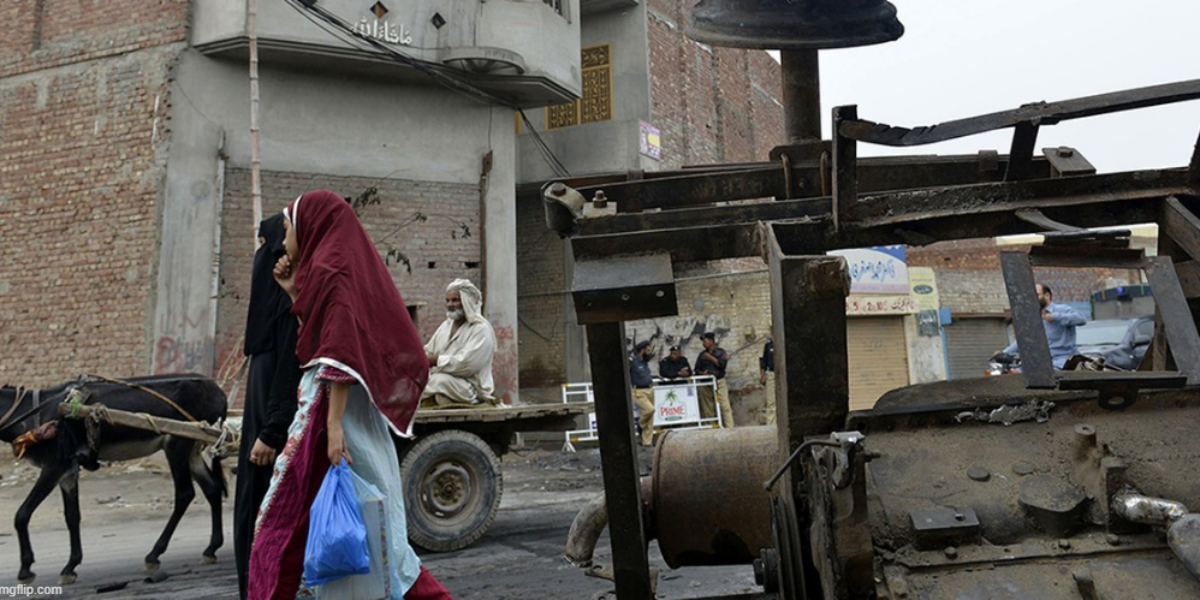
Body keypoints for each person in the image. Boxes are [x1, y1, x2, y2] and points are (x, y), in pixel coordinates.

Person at [248, 190, 451, 600]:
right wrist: (292, 292)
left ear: (309, 226)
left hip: (331, 415)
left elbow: (339, 350)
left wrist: (334, 424)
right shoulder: (328, 268)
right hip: (330, 413)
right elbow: (319, 339)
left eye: (287, 227)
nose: (284, 239)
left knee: (293, 526)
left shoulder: (334, 269)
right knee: (340, 526)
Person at [235, 214, 302, 600]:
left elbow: (289, 370)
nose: (261, 255)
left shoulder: (285, 311)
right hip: (262, 414)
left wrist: (271, 431)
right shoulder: (278, 305)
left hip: (272, 427)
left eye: (267, 245)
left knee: (264, 510)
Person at [421, 279, 497, 407]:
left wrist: (435, 361)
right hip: (449, 384)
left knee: (437, 381)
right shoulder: (445, 326)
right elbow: (429, 350)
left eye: (455, 300)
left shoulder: (480, 329)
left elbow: (466, 365)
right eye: (448, 300)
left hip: (470, 388)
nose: (450, 304)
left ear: (467, 302)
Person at [995, 283, 1088, 369]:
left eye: (1036, 295)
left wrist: (1055, 316)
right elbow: (1023, 341)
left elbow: (1081, 319)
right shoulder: (1032, 318)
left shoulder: (1062, 309)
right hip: (1040, 363)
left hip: (1063, 362)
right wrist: (1004, 353)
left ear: (1047, 296)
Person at [694, 332, 734, 428]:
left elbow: (722, 365)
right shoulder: (702, 355)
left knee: (725, 406)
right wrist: (702, 373)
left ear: (712, 341)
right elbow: (696, 370)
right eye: (703, 341)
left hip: (719, 381)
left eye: (705, 341)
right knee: (708, 407)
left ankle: (730, 427)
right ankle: (711, 427)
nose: (704, 343)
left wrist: (710, 358)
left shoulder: (720, 352)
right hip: (706, 383)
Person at [629, 340, 656, 446]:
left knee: (650, 419)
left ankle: (647, 442)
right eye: (648, 350)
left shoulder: (645, 362)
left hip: (649, 390)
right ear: (642, 350)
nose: (650, 352)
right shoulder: (633, 361)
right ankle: (640, 425)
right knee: (650, 410)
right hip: (639, 391)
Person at [758, 338, 775, 425]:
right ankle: (771, 423)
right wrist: (763, 375)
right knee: (771, 402)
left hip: (783, 373)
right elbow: (763, 362)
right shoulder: (768, 346)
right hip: (771, 374)